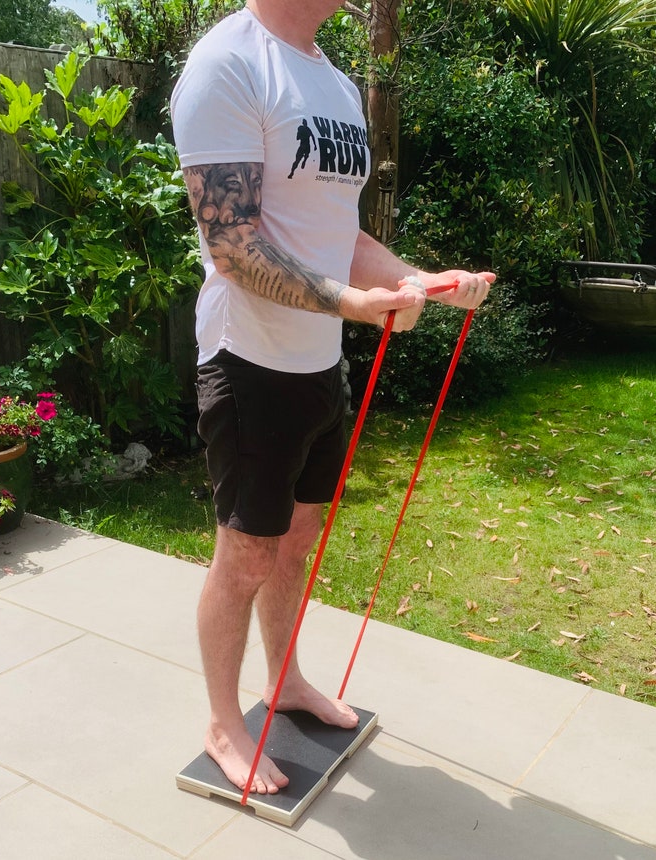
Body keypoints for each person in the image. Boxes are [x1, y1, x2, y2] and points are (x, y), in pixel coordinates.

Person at [170, 0, 494, 797]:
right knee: (246, 554)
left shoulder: (336, 85)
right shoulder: (228, 65)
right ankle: (222, 723)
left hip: (319, 364)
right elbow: (232, 244)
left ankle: (284, 682)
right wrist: (352, 303)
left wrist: (418, 281)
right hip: (249, 363)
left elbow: (338, 236)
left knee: (295, 542)